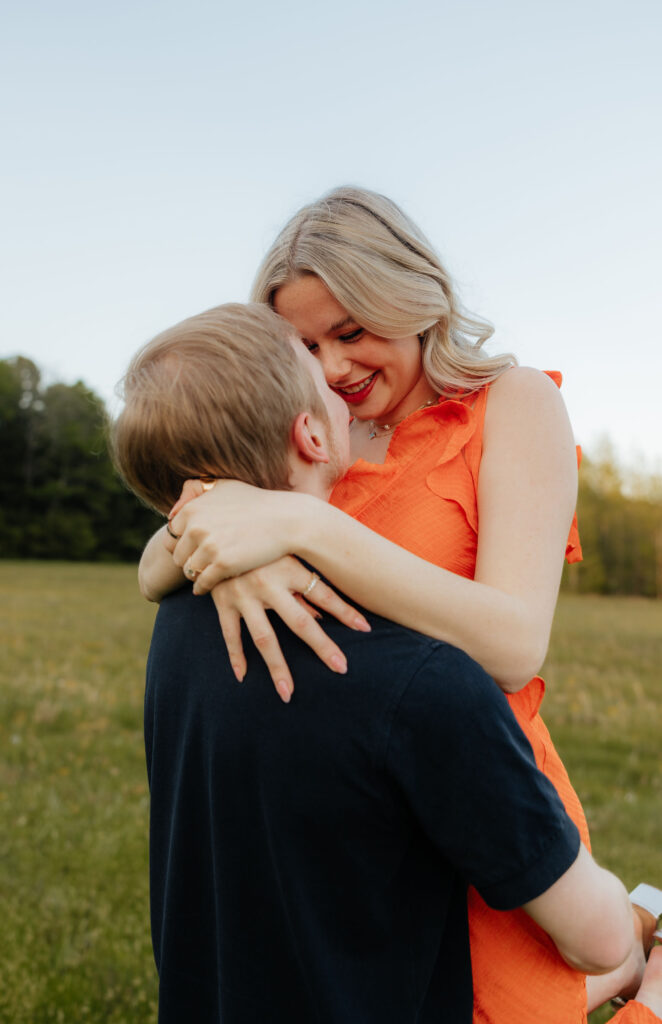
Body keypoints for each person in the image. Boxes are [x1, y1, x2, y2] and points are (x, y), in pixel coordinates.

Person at [137, 190, 662, 1021]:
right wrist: (230, 552)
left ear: (413, 301)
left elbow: (513, 641)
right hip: (353, 802)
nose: (335, 367)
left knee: (508, 1000)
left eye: (354, 331)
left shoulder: (514, 405)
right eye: (306, 344)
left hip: (478, 773)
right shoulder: (309, 426)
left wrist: (300, 524)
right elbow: (158, 556)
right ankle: (639, 947)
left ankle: (640, 963)